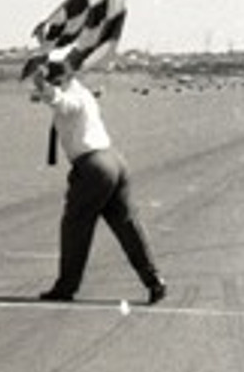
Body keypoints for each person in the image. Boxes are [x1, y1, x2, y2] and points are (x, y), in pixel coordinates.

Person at [31, 53, 167, 304]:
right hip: (113, 160)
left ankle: (66, 287)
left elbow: (61, 102)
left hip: (93, 166)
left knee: (75, 227)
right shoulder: (83, 92)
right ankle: (154, 280)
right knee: (127, 225)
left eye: (55, 79)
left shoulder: (71, 96)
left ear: (62, 78)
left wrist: (43, 86)